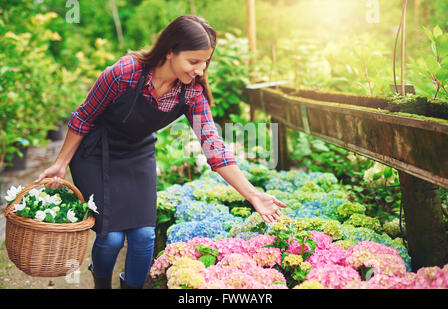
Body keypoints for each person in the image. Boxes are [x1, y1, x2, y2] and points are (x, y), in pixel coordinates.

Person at [35, 15, 286, 289]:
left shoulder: (191, 94)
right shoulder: (124, 73)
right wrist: (60, 164)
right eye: (193, 61)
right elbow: (83, 117)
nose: (200, 70)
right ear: (170, 51)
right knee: (111, 238)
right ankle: (102, 283)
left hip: (138, 151)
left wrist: (253, 194)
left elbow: (214, 148)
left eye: (205, 62)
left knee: (143, 235)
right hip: (96, 150)